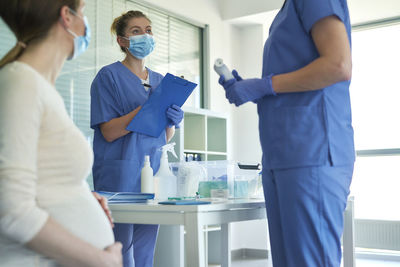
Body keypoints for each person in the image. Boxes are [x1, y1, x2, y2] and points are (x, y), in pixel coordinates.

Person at [218, 0, 354, 266]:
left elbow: (338, 65)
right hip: (282, 154)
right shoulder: (288, 9)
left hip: (311, 150)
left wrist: (265, 85)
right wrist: (254, 89)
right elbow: (288, 86)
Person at [0, 0, 123, 266]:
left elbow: (38, 178)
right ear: (66, 16)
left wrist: (75, 194)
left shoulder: (39, 88)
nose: (86, 22)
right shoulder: (21, 82)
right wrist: (102, 261)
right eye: (83, 12)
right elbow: (12, 213)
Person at [90, 10, 184, 267]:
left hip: (152, 174)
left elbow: (164, 136)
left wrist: (172, 121)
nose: (145, 35)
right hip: (119, 177)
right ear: (122, 41)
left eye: (149, 30)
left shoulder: (160, 81)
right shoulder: (108, 77)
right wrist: (145, 111)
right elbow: (108, 131)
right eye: (136, 31)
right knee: (121, 255)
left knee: (144, 254)